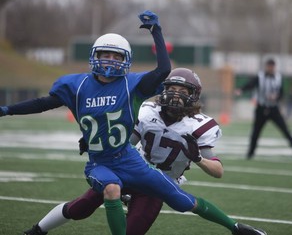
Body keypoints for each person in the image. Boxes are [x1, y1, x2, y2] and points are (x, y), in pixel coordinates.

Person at [1, 10, 266, 235]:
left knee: (182, 201)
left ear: (126, 61)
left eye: (117, 57)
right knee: (102, 194)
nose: (110, 61)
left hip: (131, 160)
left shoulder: (132, 86)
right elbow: (42, 104)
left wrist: (156, 31)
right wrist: (7, 109)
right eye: (106, 54)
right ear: (95, 55)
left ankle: (236, 228)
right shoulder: (77, 85)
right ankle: (37, 231)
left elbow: (162, 70)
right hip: (101, 162)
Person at [24, 68, 260, 235]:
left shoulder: (201, 125)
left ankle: (235, 228)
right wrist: (95, 139)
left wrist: (196, 157)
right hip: (131, 168)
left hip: (159, 185)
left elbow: (217, 171)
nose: (176, 94)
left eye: (183, 90)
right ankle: (37, 230)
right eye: (172, 88)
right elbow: (125, 141)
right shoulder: (148, 111)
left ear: (194, 95)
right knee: (81, 207)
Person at [235, 58, 292, 160]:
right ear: (266, 67)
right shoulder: (260, 77)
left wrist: (276, 97)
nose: (270, 68)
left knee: (286, 131)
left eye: (272, 67)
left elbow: (282, 94)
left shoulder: (278, 78)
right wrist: (241, 89)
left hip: (274, 109)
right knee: (255, 133)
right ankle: (250, 154)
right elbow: (251, 84)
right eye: (269, 66)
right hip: (261, 108)